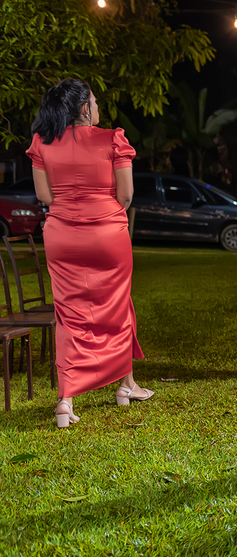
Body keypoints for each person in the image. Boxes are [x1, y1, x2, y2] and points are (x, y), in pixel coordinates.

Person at [27, 78, 152, 428]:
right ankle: (124, 386)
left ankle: (66, 400)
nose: (97, 107)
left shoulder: (42, 142)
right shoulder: (113, 139)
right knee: (117, 305)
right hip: (107, 232)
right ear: (84, 108)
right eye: (95, 102)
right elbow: (126, 196)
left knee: (69, 314)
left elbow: (45, 196)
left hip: (61, 235)